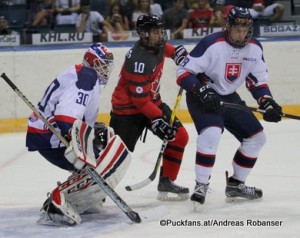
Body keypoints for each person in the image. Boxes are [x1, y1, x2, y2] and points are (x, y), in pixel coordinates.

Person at [176, 7, 282, 205]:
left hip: (229, 97)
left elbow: (257, 81)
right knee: (212, 133)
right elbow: (183, 72)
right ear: (228, 27)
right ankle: (201, 185)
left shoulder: (255, 48)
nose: (241, 34)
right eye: (237, 29)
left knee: (257, 138)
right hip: (202, 95)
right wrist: (200, 90)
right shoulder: (211, 44)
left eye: (245, 30)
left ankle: (235, 185)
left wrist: (267, 101)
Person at [26, 43, 132, 226]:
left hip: (46, 134)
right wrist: (80, 143)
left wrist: (89, 130)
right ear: (92, 62)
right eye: (102, 64)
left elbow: (71, 114)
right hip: (51, 136)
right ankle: (59, 200)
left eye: (107, 65)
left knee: (104, 142)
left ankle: (85, 196)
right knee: (103, 164)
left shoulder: (82, 74)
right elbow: (65, 118)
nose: (105, 70)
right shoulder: (87, 76)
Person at [109, 14, 190, 201]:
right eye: (156, 32)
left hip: (151, 103)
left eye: (161, 31)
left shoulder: (157, 44)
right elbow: (139, 102)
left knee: (179, 137)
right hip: (127, 112)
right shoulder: (138, 60)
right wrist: (159, 119)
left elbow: (170, 51)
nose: (160, 35)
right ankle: (96, 191)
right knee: (115, 157)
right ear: (144, 34)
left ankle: (167, 181)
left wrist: (181, 55)